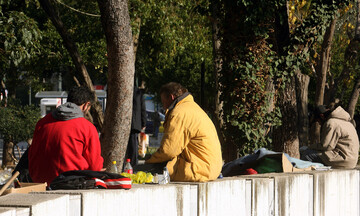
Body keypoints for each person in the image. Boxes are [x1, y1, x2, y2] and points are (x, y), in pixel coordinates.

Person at [144, 82, 223, 182]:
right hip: (210, 168)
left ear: (171, 97)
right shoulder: (193, 107)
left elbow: (169, 150)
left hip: (198, 170)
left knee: (147, 170)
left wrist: (149, 160)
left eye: (164, 102)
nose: (164, 107)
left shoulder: (179, 113)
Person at [28, 86, 104, 184]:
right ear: (86, 105)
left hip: (38, 180)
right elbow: (94, 166)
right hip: (69, 182)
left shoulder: (42, 122)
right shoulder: (87, 127)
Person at [300, 105, 359, 169]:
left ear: (322, 116)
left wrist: (309, 147)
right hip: (351, 161)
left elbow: (326, 146)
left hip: (343, 159)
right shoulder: (347, 123)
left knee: (307, 154)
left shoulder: (331, 123)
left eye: (318, 121)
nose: (319, 124)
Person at [124, 85, 146, 167]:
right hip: (135, 123)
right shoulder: (139, 93)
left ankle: (125, 163)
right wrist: (143, 123)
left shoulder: (124, 90)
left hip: (125, 122)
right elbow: (143, 109)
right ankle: (133, 164)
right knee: (133, 144)